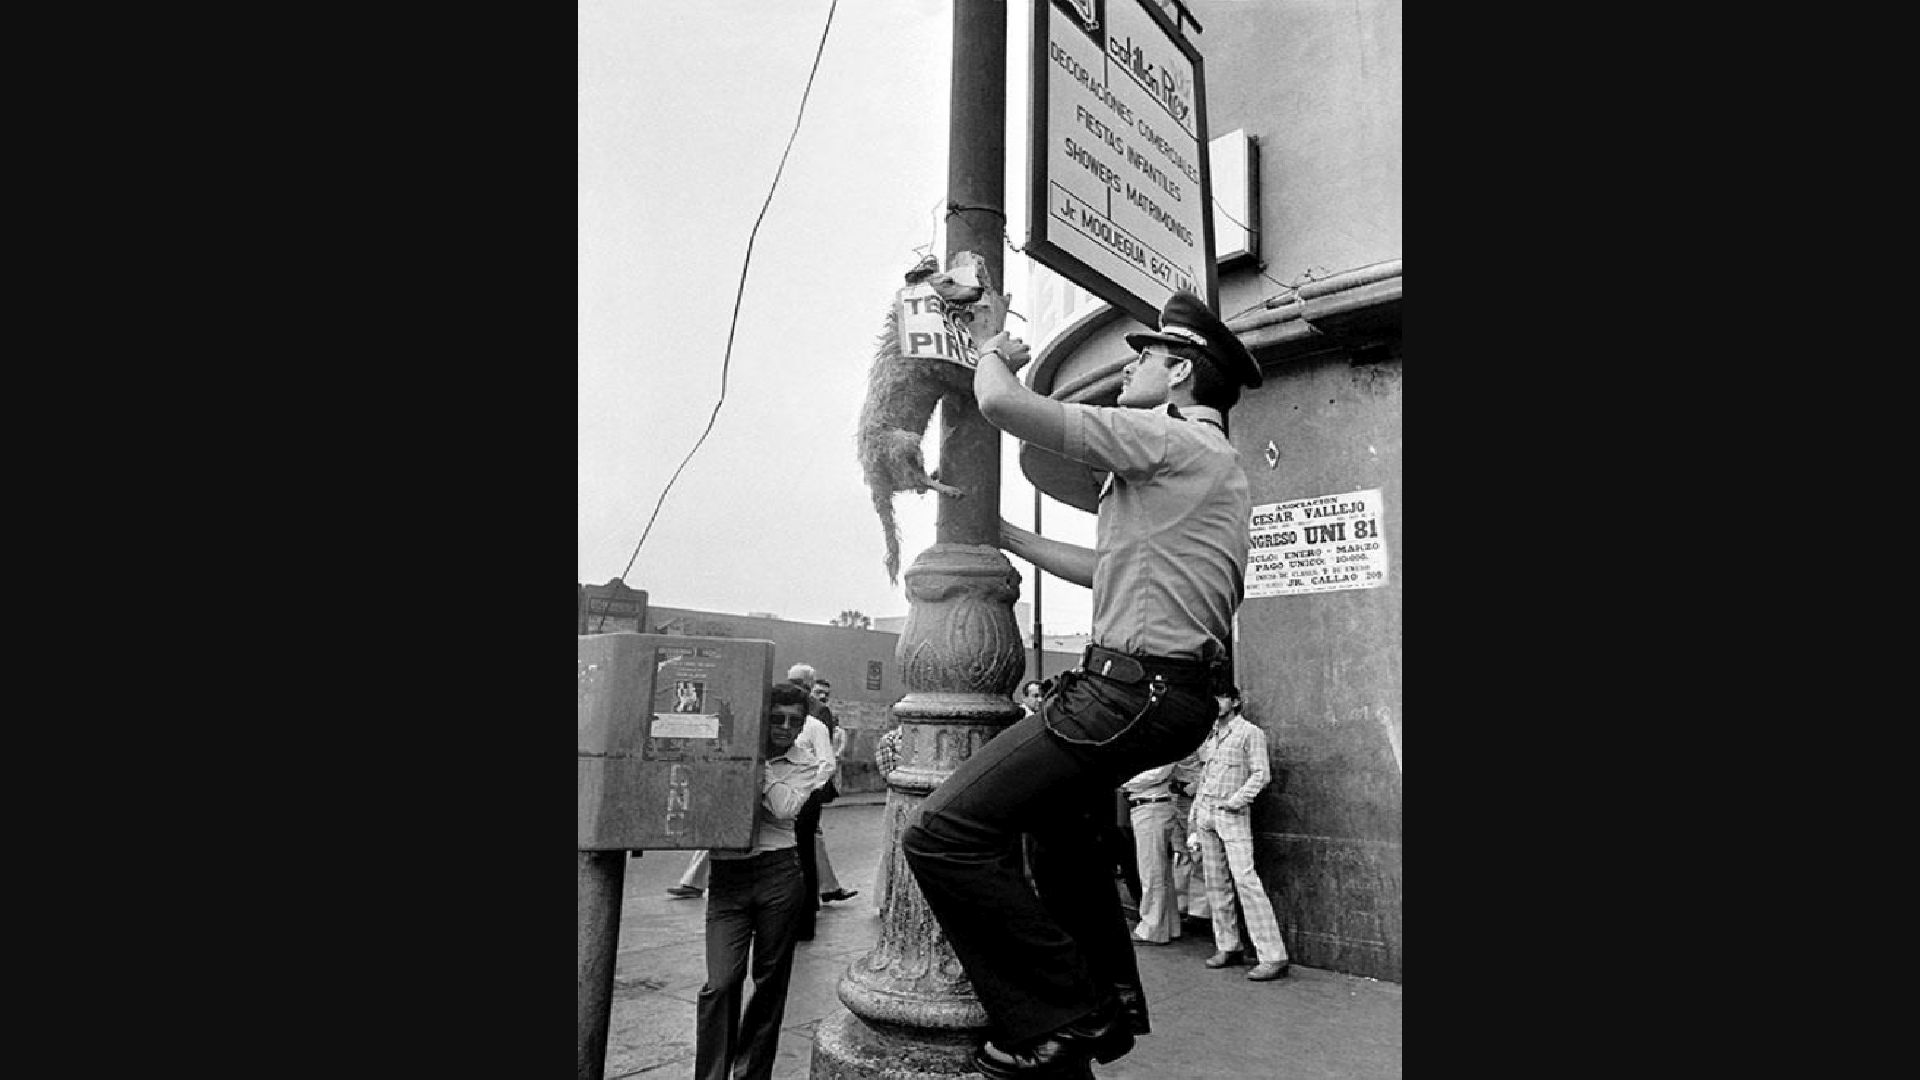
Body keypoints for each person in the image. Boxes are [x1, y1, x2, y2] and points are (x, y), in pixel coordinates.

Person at [902, 290, 1263, 1077]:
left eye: (1144, 357)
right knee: (1058, 833)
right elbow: (1110, 572)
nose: (1129, 367)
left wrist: (994, 341)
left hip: (1131, 692)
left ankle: (1066, 1012)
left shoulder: (1166, 440)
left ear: (1179, 373)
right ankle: (1109, 996)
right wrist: (1003, 536)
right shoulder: (1211, 467)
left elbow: (1001, 402)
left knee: (942, 834)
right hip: (1165, 694)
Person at [693, 683, 821, 1080]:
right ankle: (711, 1074)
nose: (785, 727)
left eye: (795, 721)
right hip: (729, 877)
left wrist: (756, 763)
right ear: (762, 717)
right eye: (777, 718)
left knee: (769, 983)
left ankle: (752, 1073)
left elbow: (784, 807)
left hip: (778, 874)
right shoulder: (726, 748)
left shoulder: (804, 761)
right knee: (721, 982)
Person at [1186, 685, 1291, 981]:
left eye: (1221, 697)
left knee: (1245, 881)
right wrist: (1195, 819)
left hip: (1232, 816)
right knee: (1215, 882)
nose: (1216, 703)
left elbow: (1261, 774)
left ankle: (1272, 955)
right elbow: (1203, 778)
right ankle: (1227, 945)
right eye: (1213, 697)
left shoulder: (1249, 733)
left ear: (1235, 701)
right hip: (1207, 815)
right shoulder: (1211, 736)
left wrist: (1235, 801)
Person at [809, 676, 859, 905]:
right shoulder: (814, 716)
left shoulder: (821, 715)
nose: (822, 697)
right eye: (818, 691)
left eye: (825, 694)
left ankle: (828, 886)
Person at [1120, 762, 1182, 944]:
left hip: (1152, 805)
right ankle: (1169, 924)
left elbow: (1156, 774)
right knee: (1160, 871)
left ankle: (1152, 927)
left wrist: (1125, 782)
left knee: (1151, 870)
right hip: (1150, 805)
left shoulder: (1163, 749)